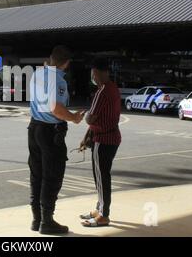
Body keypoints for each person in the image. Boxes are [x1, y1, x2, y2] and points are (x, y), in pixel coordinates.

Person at [28, 45, 85, 235]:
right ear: (66, 63)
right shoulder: (58, 80)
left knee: (37, 176)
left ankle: (37, 219)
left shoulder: (38, 74)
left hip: (34, 127)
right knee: (52, 177)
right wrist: (74, 117)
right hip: (50, 133)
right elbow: (56, 108)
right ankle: (47, 221)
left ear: (51, 58)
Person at [80, 58, 122, 228]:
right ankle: (100, 208)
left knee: (101, 177)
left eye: (93, 74)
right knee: (102, 176)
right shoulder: (114, 88)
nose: (93, 77)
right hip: (112, 137)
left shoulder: (102, 92)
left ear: (96, 73)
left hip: (103, 140)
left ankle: (103, 215)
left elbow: (91, 117)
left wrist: (84, 116)